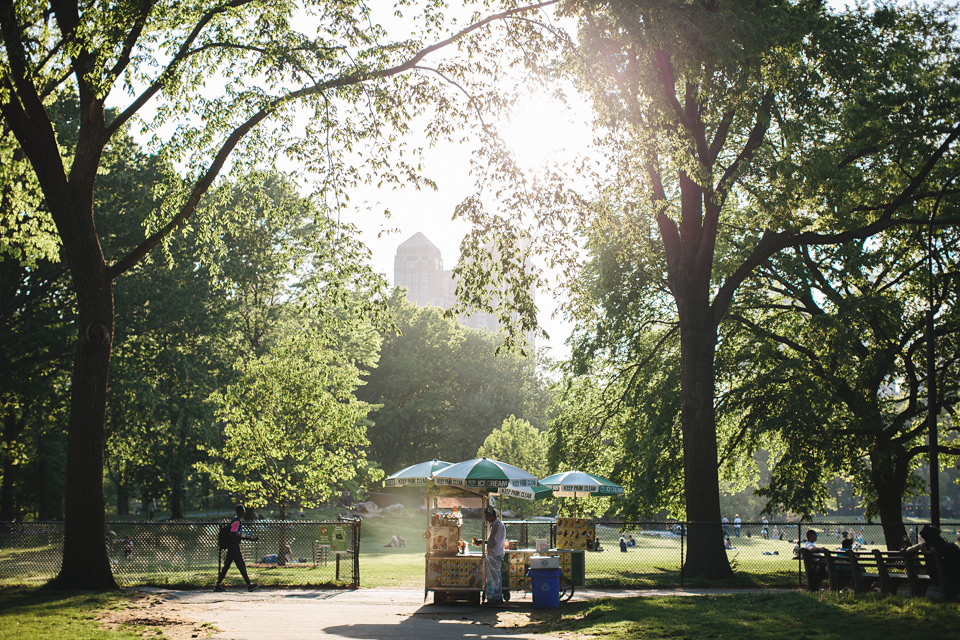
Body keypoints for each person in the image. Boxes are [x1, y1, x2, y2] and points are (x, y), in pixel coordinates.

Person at [905, 525, 960, 601]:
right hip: (949, 573)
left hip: (933, 573)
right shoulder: (948, 546)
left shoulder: (923, 546)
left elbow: (908, 550)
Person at [215, 504, 259, 592]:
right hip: (234, 546)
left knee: (227, 566)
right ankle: (249, 584)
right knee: (241, 565)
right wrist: (248, 537)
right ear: (240, 511)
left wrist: (248, 537)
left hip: (233, 546)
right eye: (243, 510)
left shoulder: (237, 520)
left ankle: (218, 585)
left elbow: (236, 533)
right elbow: (233, 533)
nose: (244, 512)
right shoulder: (237, 521)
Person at [483, 506, 506, 605]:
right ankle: (494, 596)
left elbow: (494, 542)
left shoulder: (498, 526)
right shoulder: (494, 525)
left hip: (495, 553)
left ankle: (497, 597)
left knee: (495, 577)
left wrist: (483, 542)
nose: (486, 518)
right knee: (494, 576)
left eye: (487, 516)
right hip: (494, 553)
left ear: (491, 516)